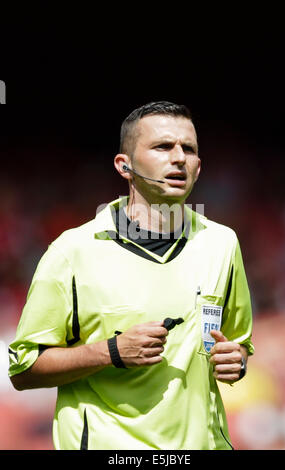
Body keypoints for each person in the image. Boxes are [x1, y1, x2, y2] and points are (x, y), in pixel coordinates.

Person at [8, 101, 254, 450]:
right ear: (125, 166)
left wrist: (238, 361)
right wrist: (110, 351)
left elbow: (237, 342)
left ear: (199, 168)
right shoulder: (72, 251)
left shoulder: (222, 243)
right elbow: (23, 369)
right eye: (162, 147)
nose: (179, 158)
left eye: (189, 149)